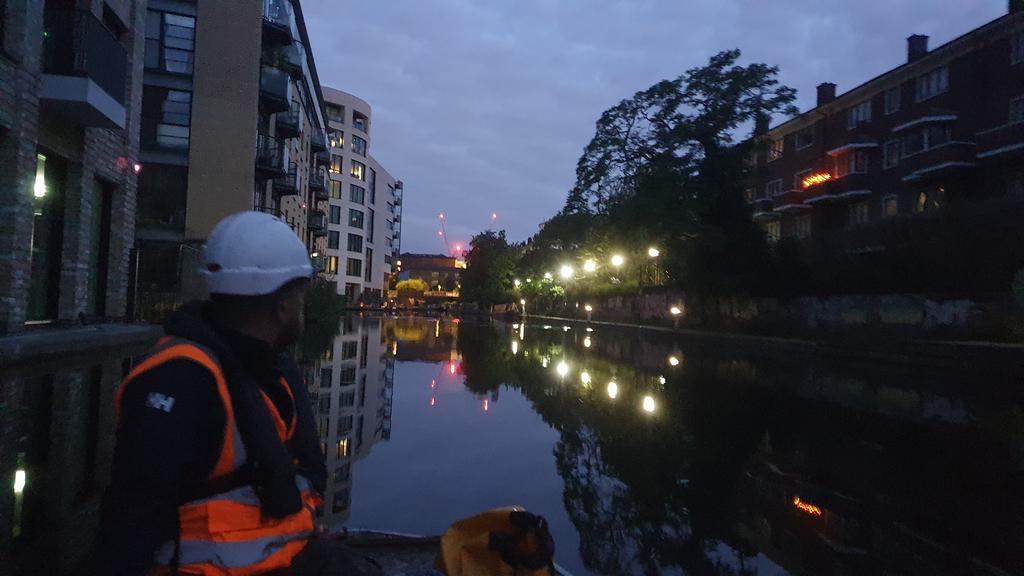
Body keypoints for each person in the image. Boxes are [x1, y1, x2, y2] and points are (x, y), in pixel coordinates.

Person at [98, 212, 377, 575]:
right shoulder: (181, 381)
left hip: (284, 557)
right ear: (283, 308)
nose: (303, 309)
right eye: (301, 298)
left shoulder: (264, 371)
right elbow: (130, 525)